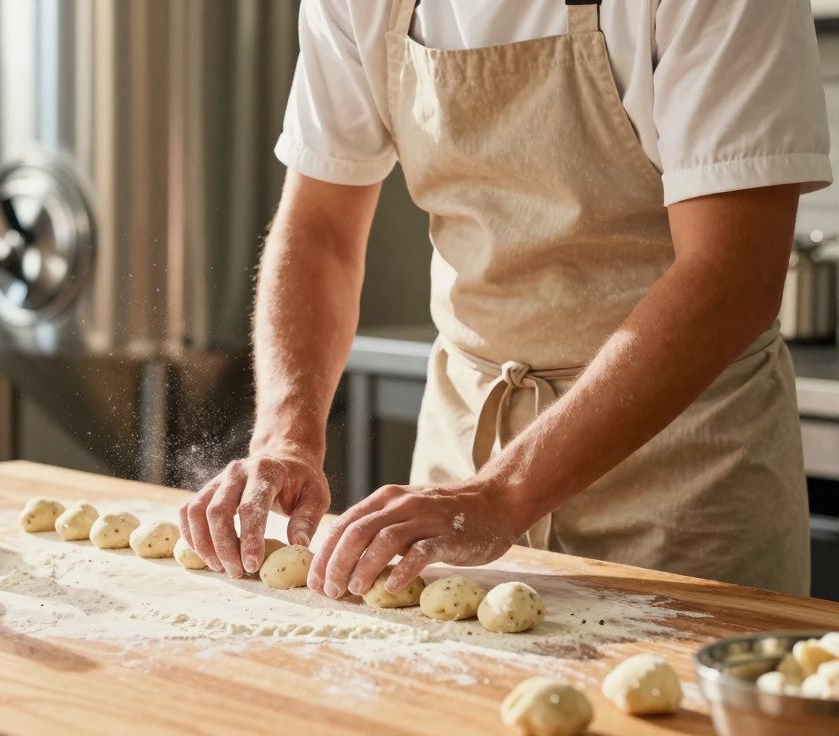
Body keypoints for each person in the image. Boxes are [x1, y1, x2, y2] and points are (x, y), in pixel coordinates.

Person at [179, 0, 830, 598]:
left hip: (685, 482)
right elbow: (320, 228)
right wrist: (287, 434)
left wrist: (502, 492)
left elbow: (732, 275)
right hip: (461, 464)